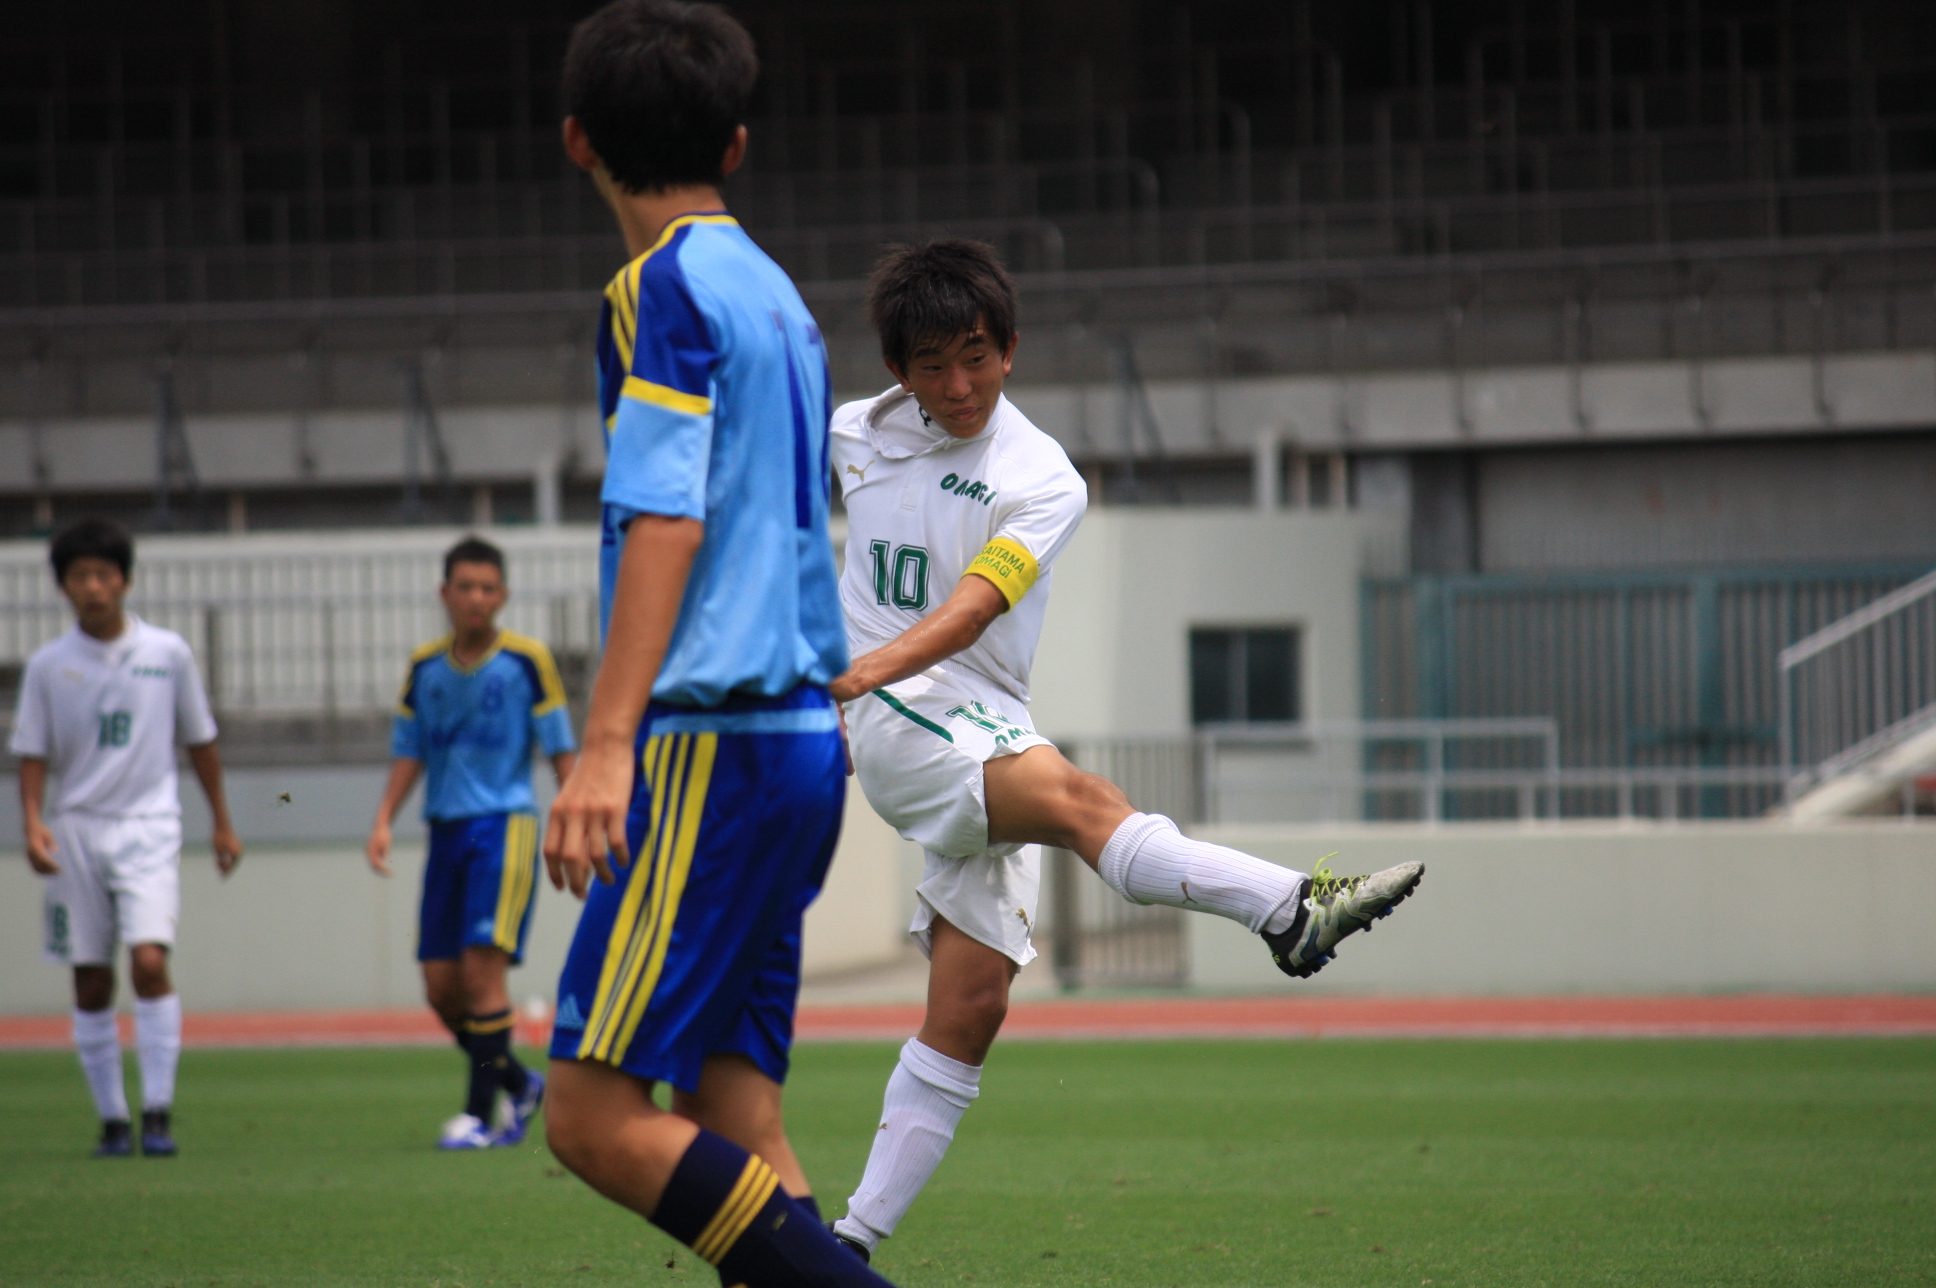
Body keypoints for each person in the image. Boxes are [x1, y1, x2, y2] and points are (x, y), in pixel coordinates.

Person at [823, 241, 1426, 1261]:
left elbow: (973, 613)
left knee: (969, 1007)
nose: (957, 384)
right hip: (898, 715)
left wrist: (850, 671)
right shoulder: (850, 432)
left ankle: (845, 1243)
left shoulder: (1042, 478)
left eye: (975, 354)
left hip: (955, 702)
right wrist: (840, 675)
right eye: (932, 364)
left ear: (1010, 348)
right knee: (1081, 800)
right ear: (898, 370)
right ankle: (1289, 908)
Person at [538, 5, 902, 1286]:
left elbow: (665, 517)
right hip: (802, 741)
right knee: (738, 1112)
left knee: (586, 1113)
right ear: (737, 142)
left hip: (714, 747)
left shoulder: (661, 290)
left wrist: (603, 745)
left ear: (577, 139)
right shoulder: (778, 294)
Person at [10, 517, 244, 1159]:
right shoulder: (49, 667)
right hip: (77, 830)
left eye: (104, 574)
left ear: (126, 580)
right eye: (80, 576)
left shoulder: (166, 653)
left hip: (149, 827)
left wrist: (221, 821)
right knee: (90, 979)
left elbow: (200, 740)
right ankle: (113, 1119)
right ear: (64, 587)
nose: (93, 587)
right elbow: (31, 753)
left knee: (148, 961)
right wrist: (33, 821)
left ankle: (159, 1110)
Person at [366, 535, 577, 1149]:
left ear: (503, 596)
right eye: (466, 587)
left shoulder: (527, 661)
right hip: (445, 832)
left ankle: (480, 1115)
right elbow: (409, 750)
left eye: (489, 588)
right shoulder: (425, 668)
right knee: (440, 985)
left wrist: (572, 816)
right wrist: (382, 818)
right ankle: (518, 1082)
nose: (477, 598)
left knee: (483, 976)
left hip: (505, 828)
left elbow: (561, 747)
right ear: (445, 594)